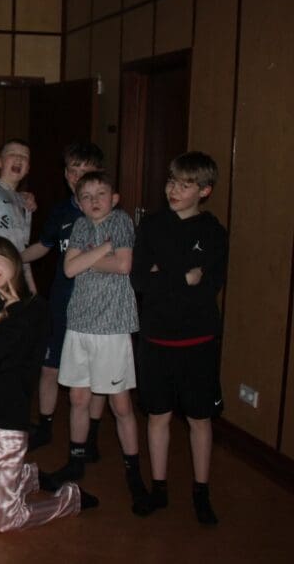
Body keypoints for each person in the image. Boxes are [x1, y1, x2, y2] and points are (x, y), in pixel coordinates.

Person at [0, 237, 96, 532]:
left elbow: (5, 359)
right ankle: (28, 477)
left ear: (14, 260)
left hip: (5, 425)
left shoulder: (35, 310)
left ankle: (70, 498)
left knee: (5, 520)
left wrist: (11, 307)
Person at [130, 152, 228, 524]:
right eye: (172, 181)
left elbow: (207, 286)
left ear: (204, 190)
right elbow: (141, 280)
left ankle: (201, 492)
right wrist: (183, 276)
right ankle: (159, 488)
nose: (173, 190)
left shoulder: (213, 232)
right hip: (156, 339)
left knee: (200, 418)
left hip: (198, 341)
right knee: (158, 415)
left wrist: (165, 274)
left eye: (185, 185)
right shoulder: (152, 225)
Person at [44, 171, 149, 513]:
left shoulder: (121, 221)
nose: (94, 201)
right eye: (86, 196)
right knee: (78, 398)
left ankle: (134, 473)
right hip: (79, 324)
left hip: (112, 327)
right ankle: (75, 461)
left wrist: (88, 258)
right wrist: (103, 250)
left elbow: (123, 264)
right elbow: (69, 269)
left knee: (121, 405)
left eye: (100, 193)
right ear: (78, 202)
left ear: (114, 198)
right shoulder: (80, 226)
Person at [20, 142, 106, 451]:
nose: (77, 176)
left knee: (94, 376)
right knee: (49, 367)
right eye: (72, 170)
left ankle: (91, 436)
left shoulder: (110, 213)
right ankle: (44, 427)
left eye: (85, 170)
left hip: (97, 307)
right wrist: (8, 258)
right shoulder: (60, 211)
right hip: (61, 302)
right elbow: (42, 247)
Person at [0, 139, 37, 293]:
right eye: (12, 154)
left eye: (24, 156)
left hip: (14, 276)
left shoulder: (24, 202)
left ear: (28, 168)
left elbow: (23, 251)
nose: (18, 158)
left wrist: (32, 290)